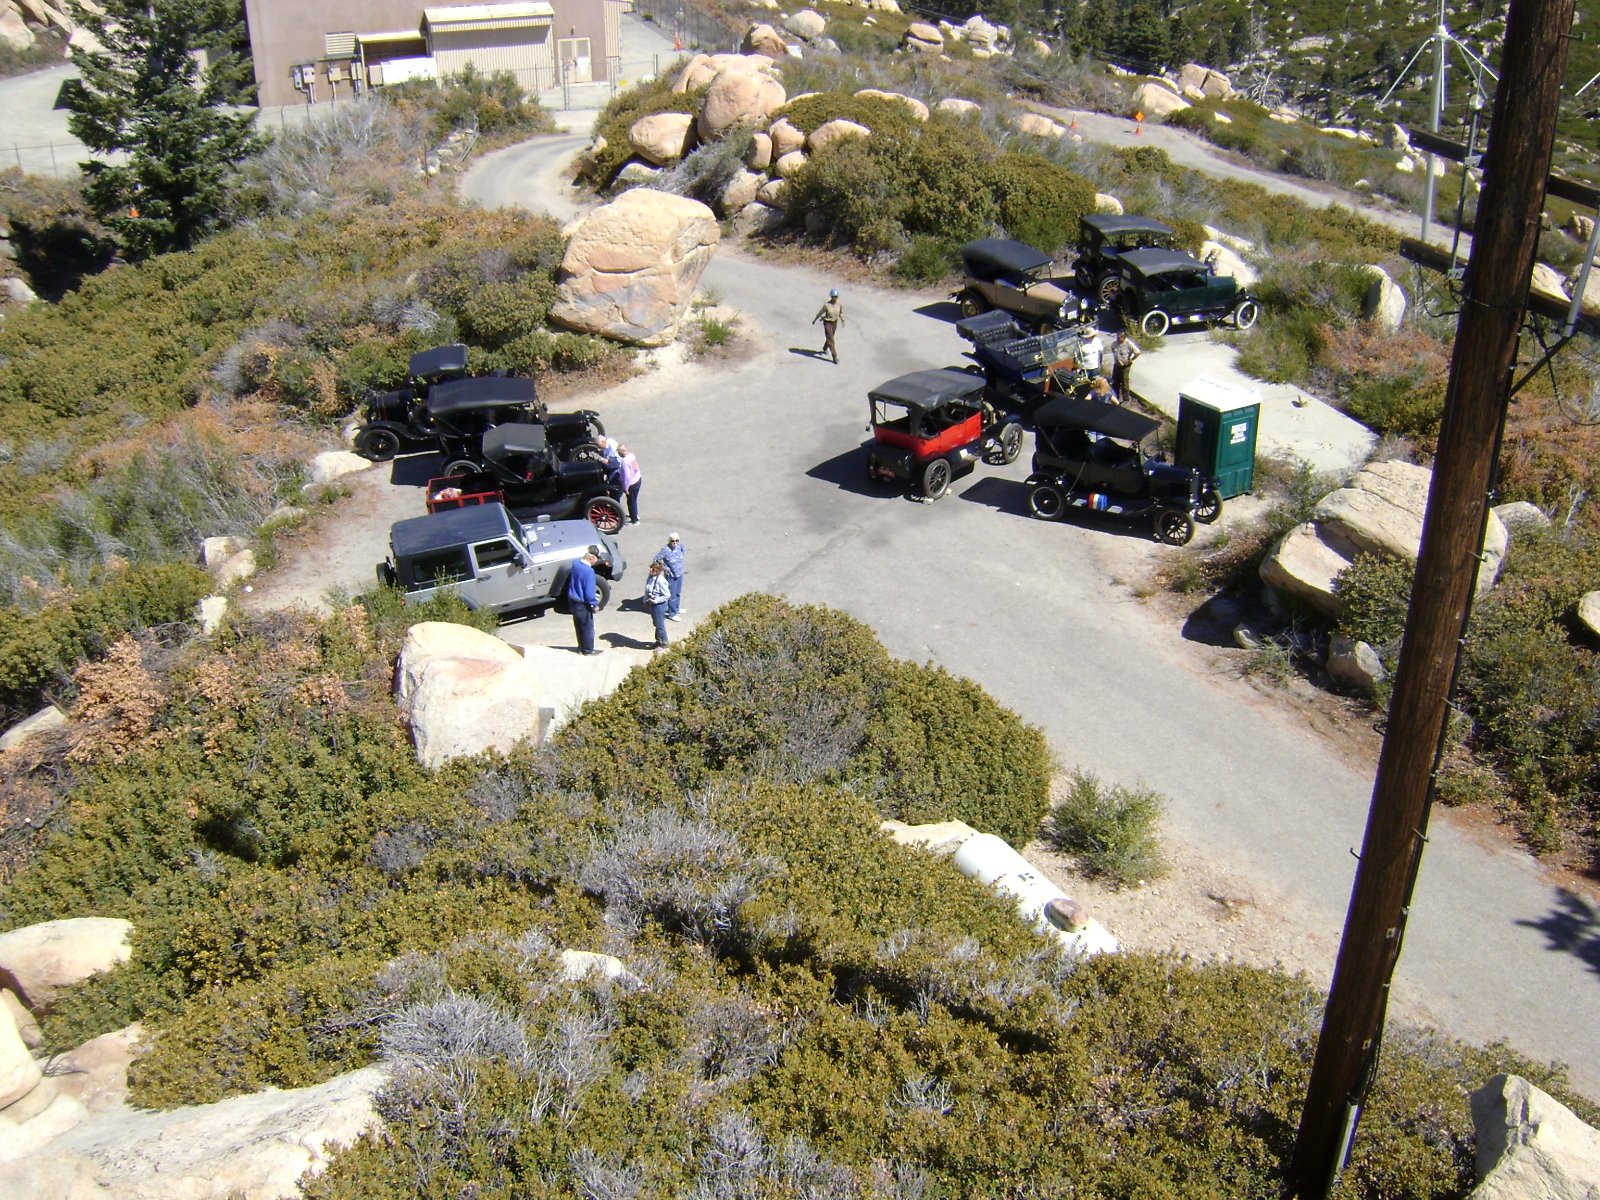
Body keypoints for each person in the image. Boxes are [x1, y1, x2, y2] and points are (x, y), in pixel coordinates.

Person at [566, 546, 602, 655]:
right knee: (587, 628)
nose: (597, 561)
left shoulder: (576, 563)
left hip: (573, 600)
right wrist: (594, 605)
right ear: (591, 558)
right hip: (582, 603)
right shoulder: (589, 571)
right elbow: (589, 592)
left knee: (578, 626)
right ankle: (588, 650)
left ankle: (581, 648)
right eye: (597, 559)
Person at [653, 532, 685, 621]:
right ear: (669, 541)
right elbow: (656, 559)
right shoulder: (666, 550)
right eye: (672, 541)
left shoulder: (680, 547)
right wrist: (664, 568)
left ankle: (676, 608)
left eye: (677, 540)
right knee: (672, 595)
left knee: (678, 593)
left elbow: (682, 553)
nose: (675, 543)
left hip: (679, 573)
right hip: (671, 575)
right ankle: (672, 613)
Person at [644, 560, 671, 648]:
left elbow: (667, 595)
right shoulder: (650, 577)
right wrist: (645, 600)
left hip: (660, 606)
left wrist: (656, 600)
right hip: (652, 604)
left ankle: (664, 643)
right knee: (656, 623)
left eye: (653, 569)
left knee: (660, 625)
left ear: (658, 571)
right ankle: (658, 640)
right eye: (651, 568)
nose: (651, 570)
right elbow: (647, 589)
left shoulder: (661, 581)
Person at [812, 288, 843, 364]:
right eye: (833, 296)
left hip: (834, 323)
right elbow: (820, 313)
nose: (835, 298)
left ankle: (825, 347)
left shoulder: (839, 304)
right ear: (831, 297)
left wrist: (843, 320)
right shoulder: (827, 305)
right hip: (827, 323)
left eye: (836, 296)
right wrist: (815, 319)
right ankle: (834, 357)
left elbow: (840, 313)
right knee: (831, 339)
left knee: (830, 337)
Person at [1111, 331, 1141, 403]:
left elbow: (1137, 352)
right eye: (1117, 337)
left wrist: (1131, 359)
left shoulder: (1129, 344)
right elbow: (1113, 351)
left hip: (1125, 366)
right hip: (1117, 365)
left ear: (1124, 338)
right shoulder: (1114, 344)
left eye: (1120, 337)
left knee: (1125, 383)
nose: (1118, 339)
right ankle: (1115, 397)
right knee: (1115, 382)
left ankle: (1126, 399)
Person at [617, 443, 642, 524]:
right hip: (637, 479)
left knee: (631, 502)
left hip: (631, 484)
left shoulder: (624, 461)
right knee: (634, 500)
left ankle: (634, 520)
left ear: (621, 452)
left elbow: (626, 477)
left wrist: (626, 488)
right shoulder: (632, 456)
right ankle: (635, 515)